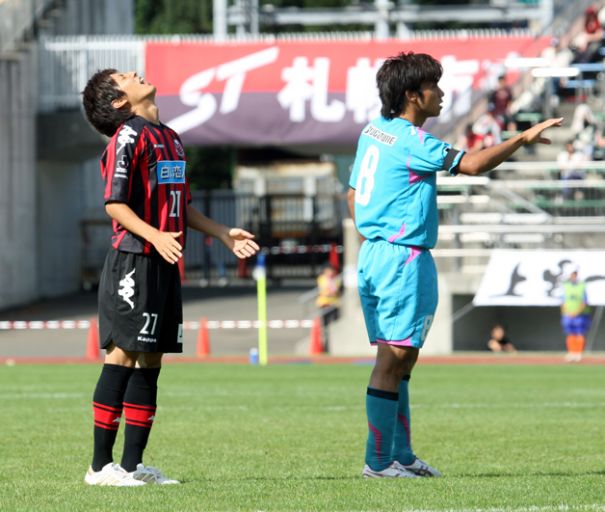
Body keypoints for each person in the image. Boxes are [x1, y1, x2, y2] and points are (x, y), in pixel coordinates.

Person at [347, 51, 562, 479]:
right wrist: (521, 139)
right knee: (393, 359)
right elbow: (473, 164)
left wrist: (376, 232)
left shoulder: (374, 131)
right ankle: (378, 462)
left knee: (402, 360)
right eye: (434, 86)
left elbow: (352, 194)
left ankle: (400, 455)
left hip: (376, 253)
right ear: (413, 95)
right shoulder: (413, 140)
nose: (441, 94)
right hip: (401, 257)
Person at [81, 69, 260, 486]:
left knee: (151, 359)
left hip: (163, 262)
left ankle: (132, 467)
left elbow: (181, 202)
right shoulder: (128, 137)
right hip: (133, 260)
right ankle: (99, 467)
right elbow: (115, 205)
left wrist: (222, 232)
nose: (134, 73)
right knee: (122, 355)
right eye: (123, 77)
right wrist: (155, 235)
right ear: (119, 102)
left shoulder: (171, 137)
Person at [560, 268, 591, 362]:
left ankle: (578, 353)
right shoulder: (566, 286)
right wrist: (567, 311)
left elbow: (584, 302)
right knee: (570, 334)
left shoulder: (581, 286)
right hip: (568, 314)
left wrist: (577, 312)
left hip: (580, 315)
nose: (573, 277)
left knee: (579, 333)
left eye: (575, 275)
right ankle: (571, 352)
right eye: (571, 275)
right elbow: (563, 301)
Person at [315, 264, 342, 350]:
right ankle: (325, 345)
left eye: (331, 271)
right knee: (325, 325)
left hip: (334, 304)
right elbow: (326, 291)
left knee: (335, 324)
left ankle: (335, 344)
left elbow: (335, 291)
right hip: (324, 304)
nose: (330, 272)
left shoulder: (336, 279)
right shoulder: (322, 279)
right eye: (328, 271)